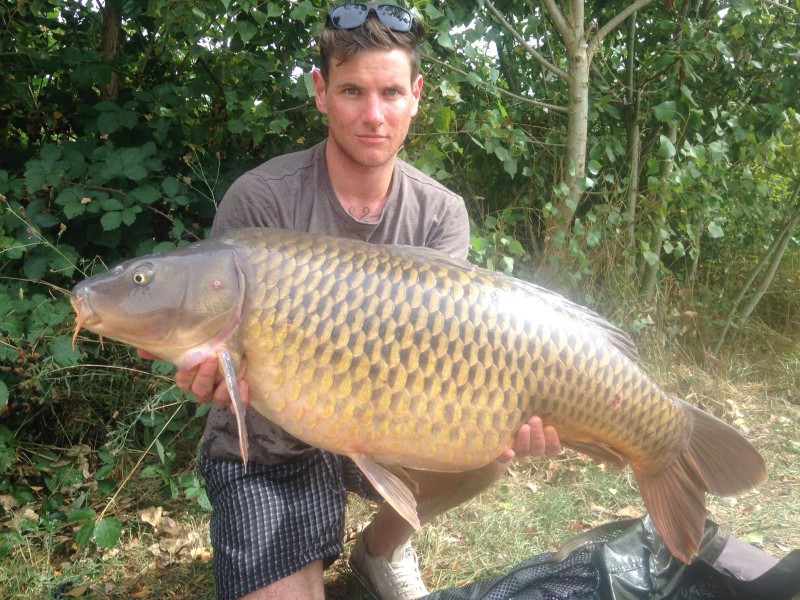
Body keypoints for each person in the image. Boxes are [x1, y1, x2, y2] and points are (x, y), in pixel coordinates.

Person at [143, 4, 561, 600]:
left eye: (391, 92)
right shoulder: (260, 201)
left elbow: (454, 352)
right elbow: (214, 341)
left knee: (487, 449)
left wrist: (512, 414)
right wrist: (216, 375)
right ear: (320, 92)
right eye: (351, 91)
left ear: (416, 95)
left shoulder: (441, 213)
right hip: (270, 444)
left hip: (384, 421)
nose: (373, 115)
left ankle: (378, 548)